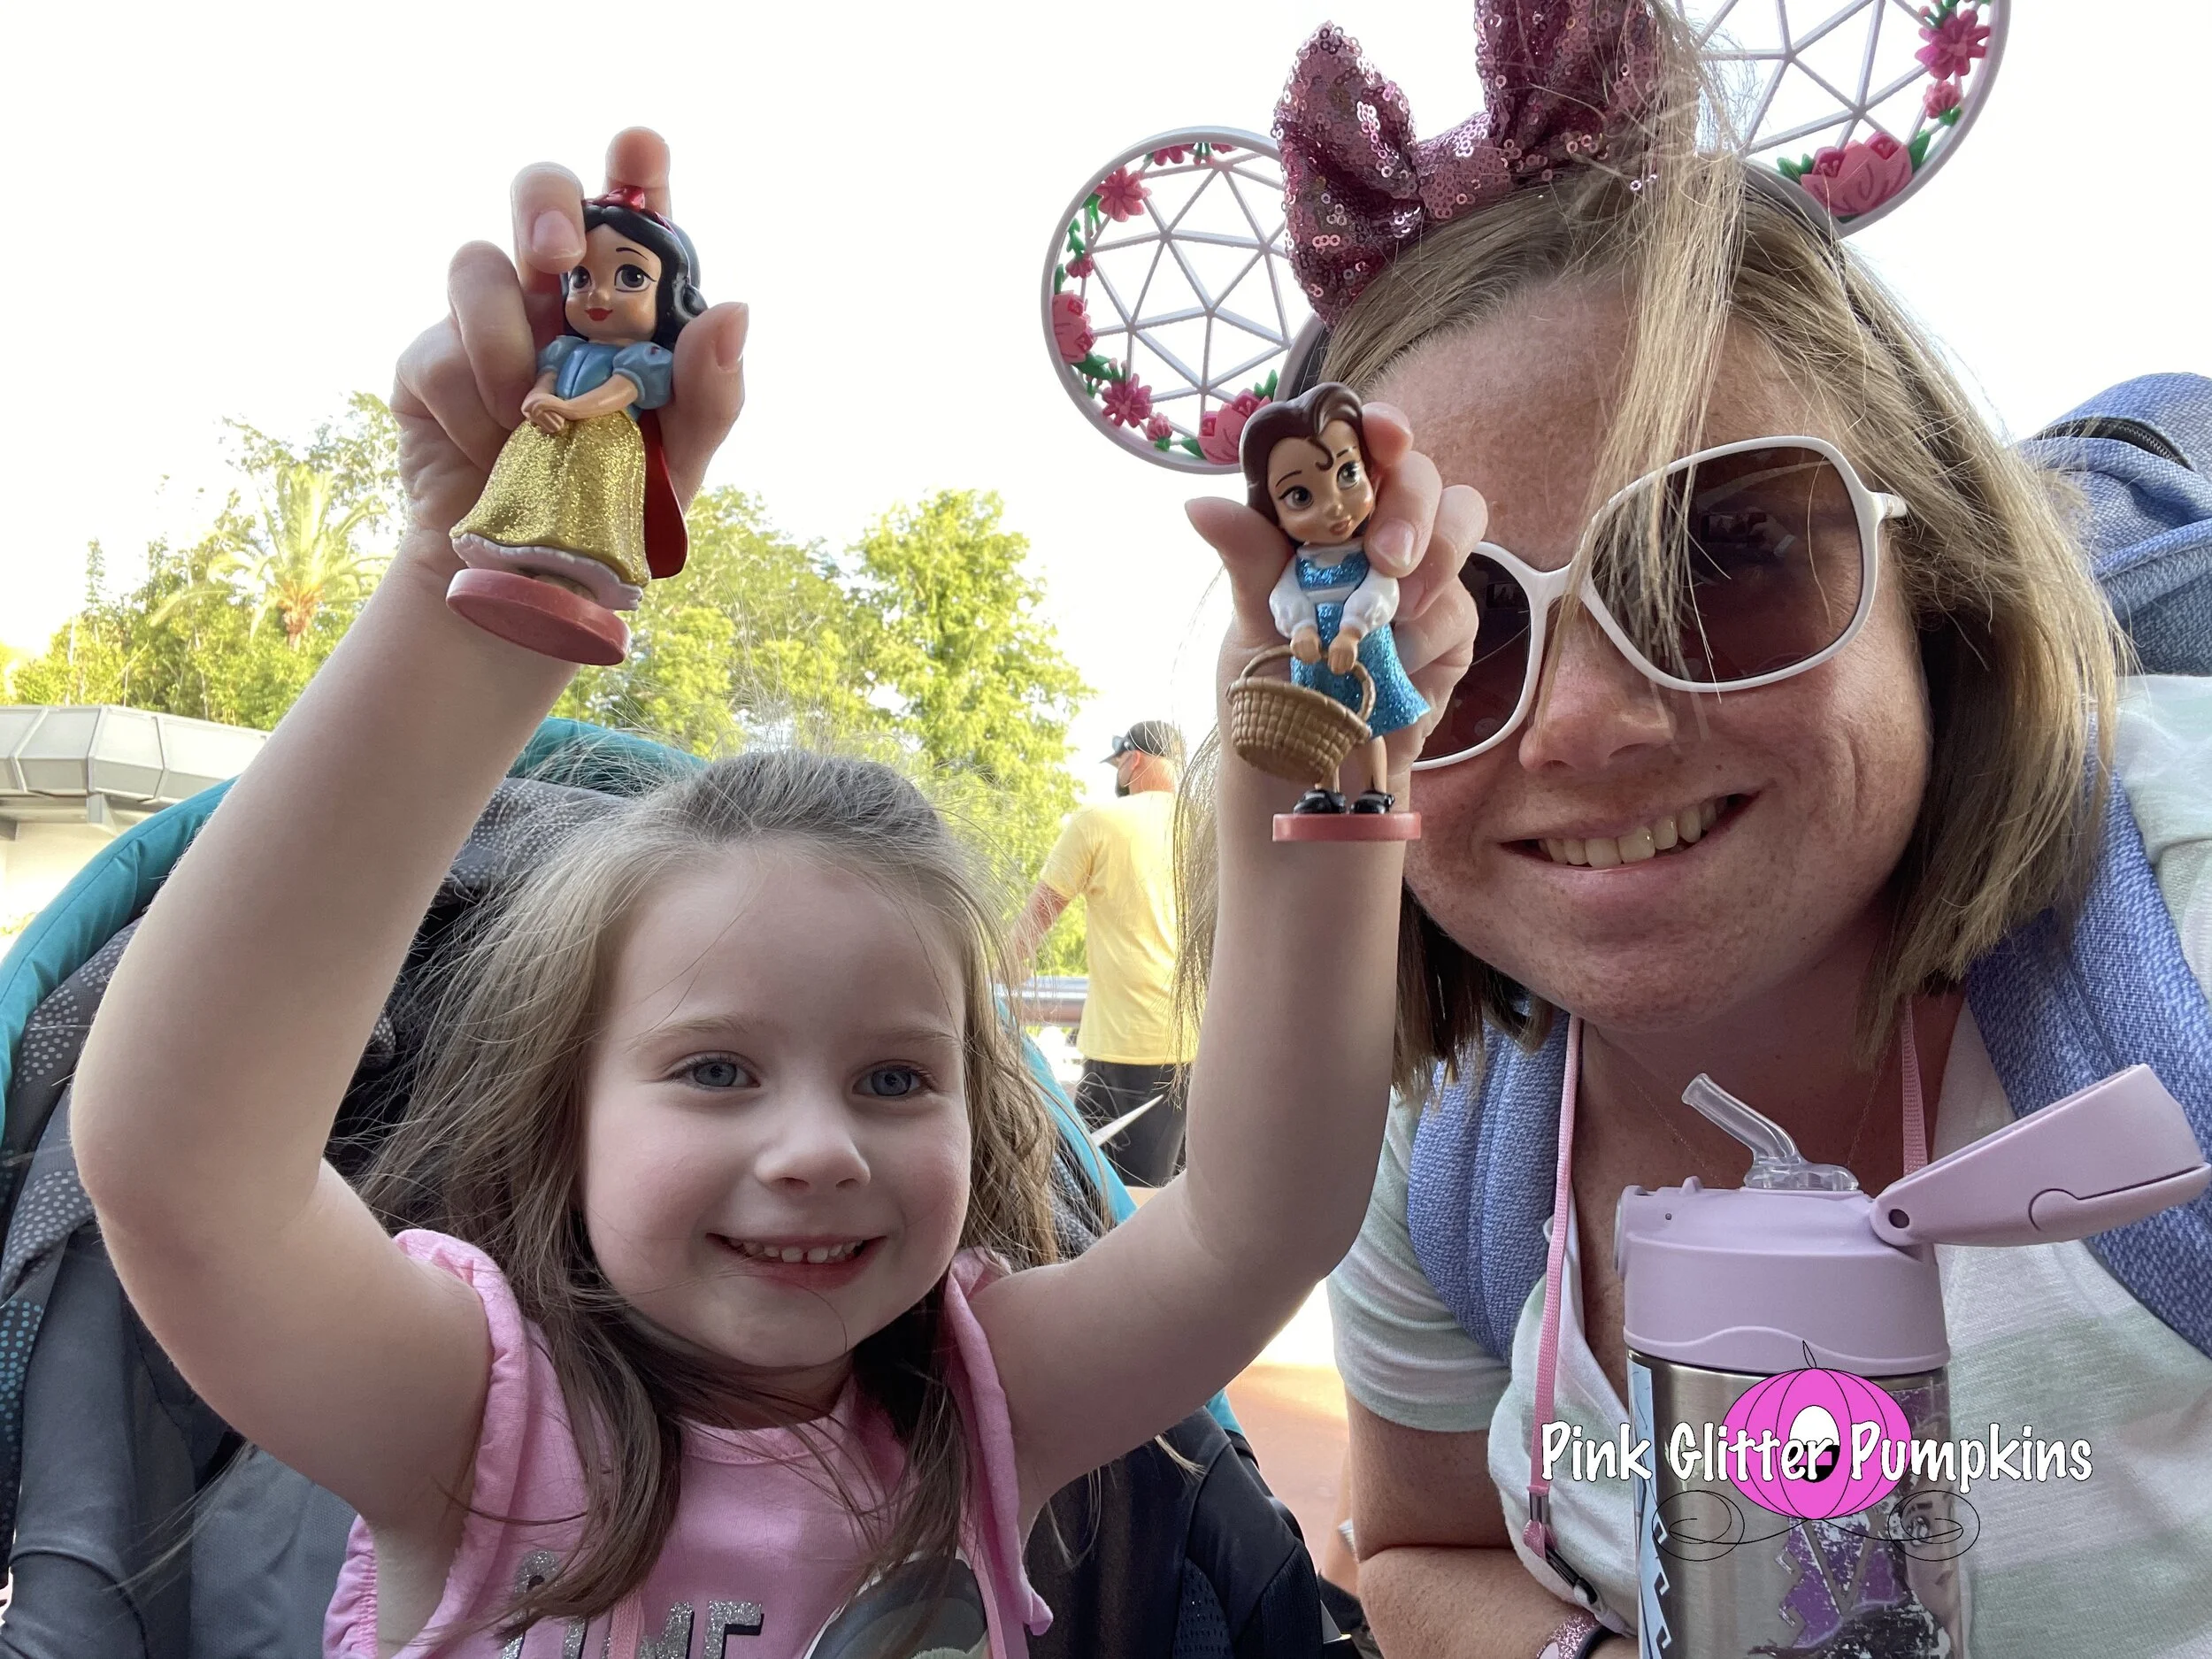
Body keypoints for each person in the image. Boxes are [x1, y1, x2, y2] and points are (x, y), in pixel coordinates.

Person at [69, 131, 1473, 1657]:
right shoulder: (468, 1421)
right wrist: (476, 599)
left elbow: (1261, 1220)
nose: (817, 1149)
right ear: (568, 1115)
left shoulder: (987, 1410)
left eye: (895, 1077)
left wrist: (1315, 749)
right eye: (716, 1070)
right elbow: (183, 1171)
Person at [1180, 6, 2212, 1657]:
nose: (1586, 722)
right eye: (1448, 632)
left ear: (1934, 576)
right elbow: (1421, 1543)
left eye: (1722, 553)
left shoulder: (2184, 932)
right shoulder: (1439, 1153)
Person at [1013, 721, 1197, 1186]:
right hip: (1204, 1050)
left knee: (1107, 1203)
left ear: (1134, 759)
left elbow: (1034, 922)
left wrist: (996, 977)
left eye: (1119, 764)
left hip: (1129, 1047)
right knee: (1181, 1205)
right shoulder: (1207, 826)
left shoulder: (1100, 822)